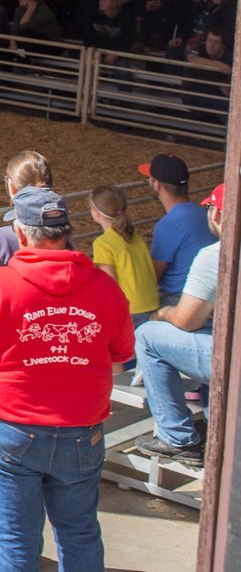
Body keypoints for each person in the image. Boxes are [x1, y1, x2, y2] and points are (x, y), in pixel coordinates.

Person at [0, 187, 133, 572]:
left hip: (12, 429)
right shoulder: (106, 290)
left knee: (14, 538)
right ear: (67, 231)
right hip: (81, 431)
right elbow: (122, 351)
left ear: (21, 235)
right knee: (80, 534)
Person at [130, 183, 223, 467]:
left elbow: (186, 320)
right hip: (227, 348)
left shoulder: (215, 254)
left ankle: (176, 437)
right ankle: (212, 422)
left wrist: (164, 313)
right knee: (214, 331)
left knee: (147, 334)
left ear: (217, 214)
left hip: (228, 361)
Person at [141, 153, 216, 305]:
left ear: (156, 184)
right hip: (209, 295)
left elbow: (152, 276)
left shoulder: (168, 225)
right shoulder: (204, 213)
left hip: (179, 300)